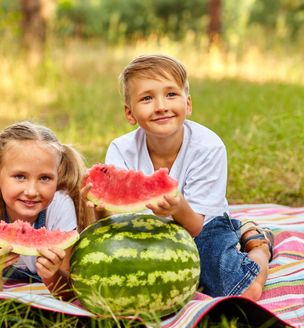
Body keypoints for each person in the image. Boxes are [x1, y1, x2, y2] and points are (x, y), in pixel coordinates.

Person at [90, 54, 274, 300]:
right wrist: (101, 209)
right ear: (130, 113)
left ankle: (258, 244)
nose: (161, 106)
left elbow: (195, 225)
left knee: (244, 291)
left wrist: (177, 206)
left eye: (171, 94)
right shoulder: (120, 149)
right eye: (147, 98)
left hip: (203, 225)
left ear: (188, 104)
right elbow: (113, 219)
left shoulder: (208, 147)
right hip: (144, 233)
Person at [0, 121, 92, 296]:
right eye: (20, 176)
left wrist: (53, 276)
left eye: (45, 178)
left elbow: (70, 294)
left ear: (57, 177)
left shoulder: (60, 207)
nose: (31, 191)